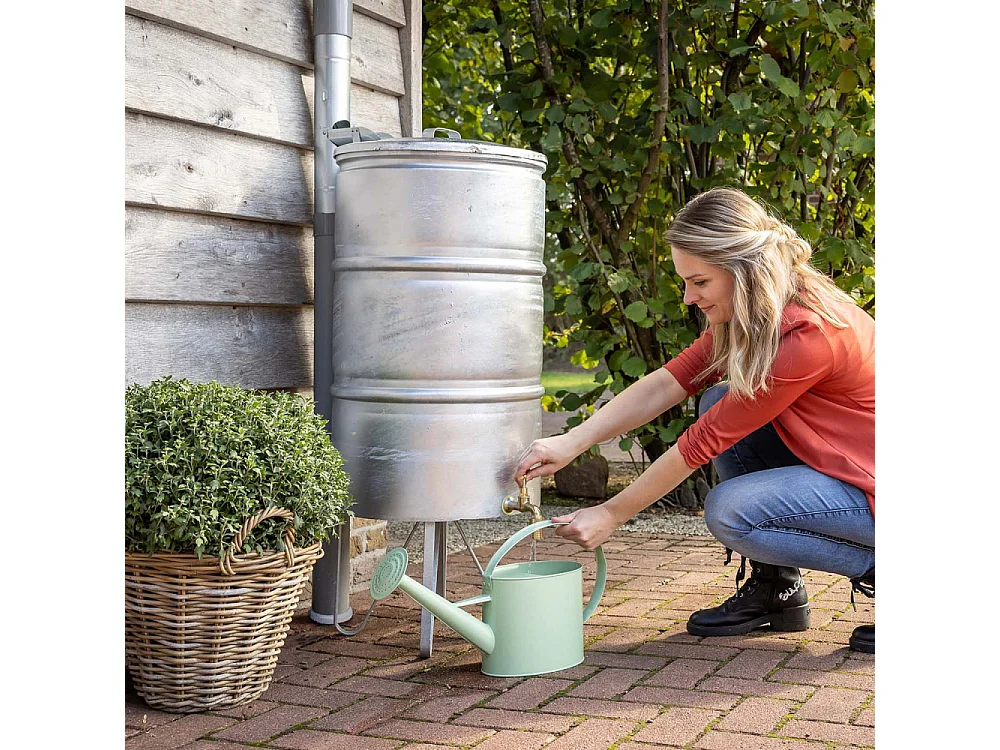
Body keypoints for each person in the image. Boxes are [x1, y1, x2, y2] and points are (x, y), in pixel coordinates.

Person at [515, 187, 875, 653]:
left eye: (700, 282)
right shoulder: (761, 311)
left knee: (731, 511)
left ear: (744, 271)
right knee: (717, 396)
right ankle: (776, 589)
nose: (688, 297)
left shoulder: (807, 335)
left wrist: (611, 513)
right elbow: (671, 382)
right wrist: (569, 443)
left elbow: (702, 443)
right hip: (850, 465)